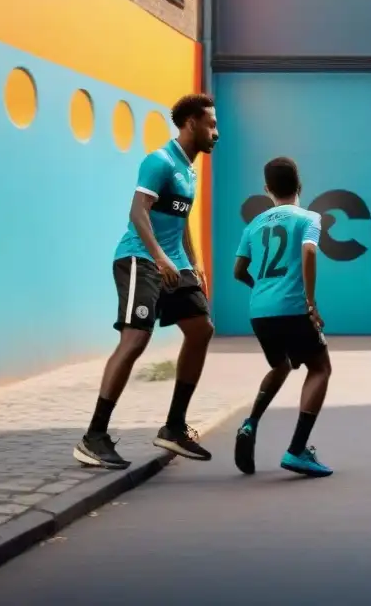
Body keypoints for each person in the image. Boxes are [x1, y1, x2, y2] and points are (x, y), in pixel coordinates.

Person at [74, 94, 219, 469]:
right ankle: (94, 436)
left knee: (201, 330)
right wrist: (159, 257)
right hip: (140, 257)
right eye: (211, 124)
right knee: (136, 338)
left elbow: (181, 221)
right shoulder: (160, 161)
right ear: (190, 123)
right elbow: (138, 211)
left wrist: (195, 267)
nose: (216, 133)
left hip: (175, 262)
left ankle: (173, 428)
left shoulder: (189, 169)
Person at [232, 157, 333, 478]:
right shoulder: (309, 218)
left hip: (259, 311)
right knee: (320, 368)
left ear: (267, 189)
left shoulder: (253, 225)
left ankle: (250, 423)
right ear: (299, 186)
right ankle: (297, 450)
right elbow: (310, 251)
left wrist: (261, 289)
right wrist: (310, 301)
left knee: (281, 365)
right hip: (292, 309)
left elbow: (238, 271)